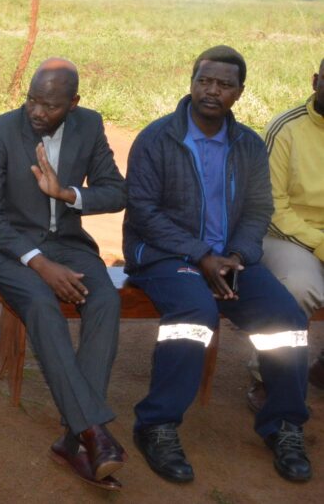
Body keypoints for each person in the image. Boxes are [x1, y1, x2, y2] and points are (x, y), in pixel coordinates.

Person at [124, 46, 311, 483]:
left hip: (231, 258)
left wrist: (238, 256)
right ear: (191, 83)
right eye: (204, 81)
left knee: (285, 317)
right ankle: (157, 424)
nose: (212, 91)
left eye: (224, 85)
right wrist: (201, 255)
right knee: (195, 314)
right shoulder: (157, 138)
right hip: (164, 256)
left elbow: (259, 209)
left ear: (239, 93)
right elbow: (145, 212)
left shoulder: (247, 144)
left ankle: (283, 423)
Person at [0, 58, 128, 490]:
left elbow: (116, 191)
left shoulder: (89, 125)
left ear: (73, 103)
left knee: (105, 300)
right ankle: (92, 435)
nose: (38, 112)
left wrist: (68, 193)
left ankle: (74, 437)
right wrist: (39, 262)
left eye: (51, 106)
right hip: (10, 248)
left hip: (68, 244)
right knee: (42, 304)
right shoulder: (2, 131)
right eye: (32, 101)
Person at [246, 57, 324, 410]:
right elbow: (273, 206)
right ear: (314, 81)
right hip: (283, 235)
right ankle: (266, 376)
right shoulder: (286, 128)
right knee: (298, 288)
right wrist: (320, 243)